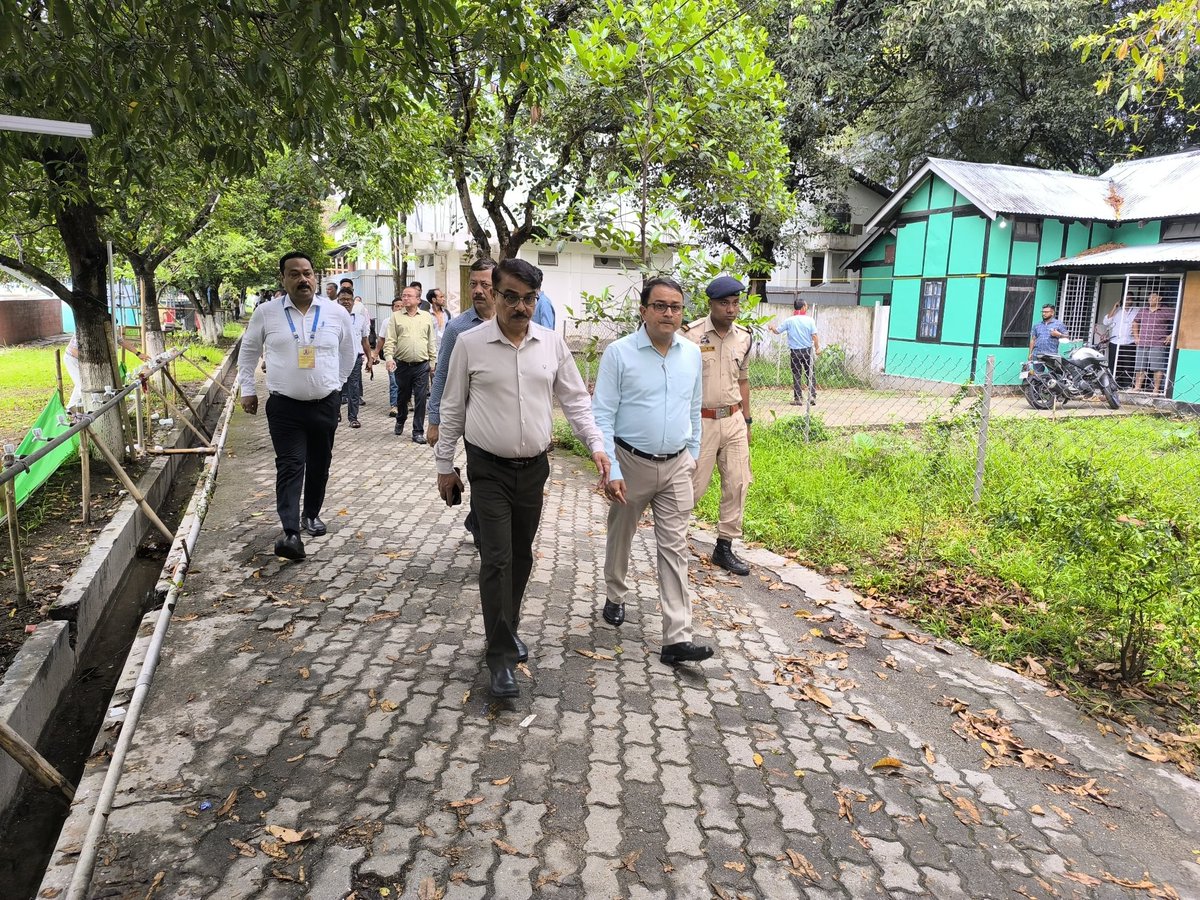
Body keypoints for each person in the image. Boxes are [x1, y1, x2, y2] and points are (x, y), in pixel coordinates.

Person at [435, 258, 610, 698]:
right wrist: (444, 466)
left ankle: (505, 629)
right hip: (487, 468)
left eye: (529, 298)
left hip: (534, 470)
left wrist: (596, 446)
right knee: (496, 558)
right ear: (493, 295)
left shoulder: (551, 344)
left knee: (521, 556)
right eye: (511, 296)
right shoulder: (470, 344)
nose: (520, 306)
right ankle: (499, 658)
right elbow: (453, 407)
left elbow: (575, 401)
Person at [592, 276, 713, 668]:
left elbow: (694, 407)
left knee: (675, 548)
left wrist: (692, 454)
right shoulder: (619, 353)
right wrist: (609, 466)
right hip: (630, 464)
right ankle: (615, 593)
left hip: (677, 464)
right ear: (643, 311)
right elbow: (602, 414)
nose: (668, 313)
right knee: (621, 533)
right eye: (659, 305)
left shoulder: (692, 354)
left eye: (675, 306)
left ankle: (677, 637)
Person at [238, 251, 357, 560]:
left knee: (320, 463)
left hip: (324, 405)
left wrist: (337, 386)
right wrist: (247, 390)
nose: (303, 279)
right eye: (295, 274)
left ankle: (312, 514)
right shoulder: (266, 312)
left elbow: (349, 352)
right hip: (285, 407)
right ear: (284, 279)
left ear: (314, 277)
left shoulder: (335, 312)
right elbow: (249, 351)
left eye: (307, 273)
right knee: (291, 465)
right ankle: (291, 532)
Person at [683, 275, 754, 577]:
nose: (731, 309)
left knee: (738, 483)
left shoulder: (744, 337)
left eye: (735, 303)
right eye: (724, 303)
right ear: (711, 304)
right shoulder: (690, 336)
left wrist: (748, 421)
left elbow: (744, 380)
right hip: (701, 421)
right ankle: (672, 540)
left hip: (734, 419)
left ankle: (724, 547)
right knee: (693, 487)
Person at [429, 259, 497, 548]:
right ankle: (485, 540)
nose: (478, 290)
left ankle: (475, 520)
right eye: (474, 284)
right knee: (482, 480)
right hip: (472, 420)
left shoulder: (512, 323)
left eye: (485, 284)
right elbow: (442, 374)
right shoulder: (458, 328)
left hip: (505, 418)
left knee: (491, 485)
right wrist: (435, 421)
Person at [384, 286, 437, 443]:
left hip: (422, 365)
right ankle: (400, 419)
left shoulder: (426, 317)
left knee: (421, 398)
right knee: (403, 397)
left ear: (418, 299)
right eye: (403, 296)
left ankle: (418, 431)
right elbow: (390, 340)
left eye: (409, 296)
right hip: (402, 365)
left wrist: (433, 361)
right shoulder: (396, 317)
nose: (405, 298)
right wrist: (388, 358)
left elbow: (431, 340)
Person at [64, 332, 147, 410]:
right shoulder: (83, 329)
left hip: (87, 360)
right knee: (82, 384)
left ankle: (72, 407)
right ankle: (76, 409)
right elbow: (73, 350)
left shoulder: (110, 329)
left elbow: (121, 341)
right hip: (72, 358)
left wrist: (138, 353)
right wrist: (91, 361)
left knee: (82, 383)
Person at [769, 299, 820, 405]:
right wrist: (817, 348)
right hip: (807, 351)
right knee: (810, 374)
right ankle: (812, 397)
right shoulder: (810, 320)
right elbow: (814, 335)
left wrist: (772, 327)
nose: (807, 307)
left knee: (797, 374)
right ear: (803, 307)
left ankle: (798, 399)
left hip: (795, 353)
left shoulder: (789, 321)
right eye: (806, 306)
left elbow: (777, 331)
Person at [336, 287, 373, 428]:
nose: (346, 302)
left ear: (353, 301)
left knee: (354, 388)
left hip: (355, 358)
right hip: (336, 358)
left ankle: (353, 417)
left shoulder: (360, 319)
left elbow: (365, 340)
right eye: (342, 300)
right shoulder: (332, 318)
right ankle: (335, 413)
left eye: (348, 299)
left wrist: (370, 358)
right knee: (336, 387)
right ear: (338, 301)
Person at [1132, 292, 1174, 395]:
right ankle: (1137, 387)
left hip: (1158, 342)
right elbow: (1135, 322)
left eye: (1153, 298)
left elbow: (1178, 322)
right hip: (1143, 342)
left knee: (1157, 367)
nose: (1150, 299)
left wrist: (1171, 335)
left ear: (1160, 298)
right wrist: (1136, 337)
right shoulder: (1143, 310)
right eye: (1149, 298)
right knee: (1140, 366)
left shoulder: (1166, 311)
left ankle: (1156, 390)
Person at [1103, 300, 1138, 388]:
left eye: (1130, 299)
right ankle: (1113, 384)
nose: (1128, 301)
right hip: (1115, 341)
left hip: (1129, 342)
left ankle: (1127, 385)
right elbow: (1106, 322)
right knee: (1113, 364)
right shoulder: (1117, 311)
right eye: (1127, 299)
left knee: (1128, 364)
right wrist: (1114, 308)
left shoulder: (1136, 310)